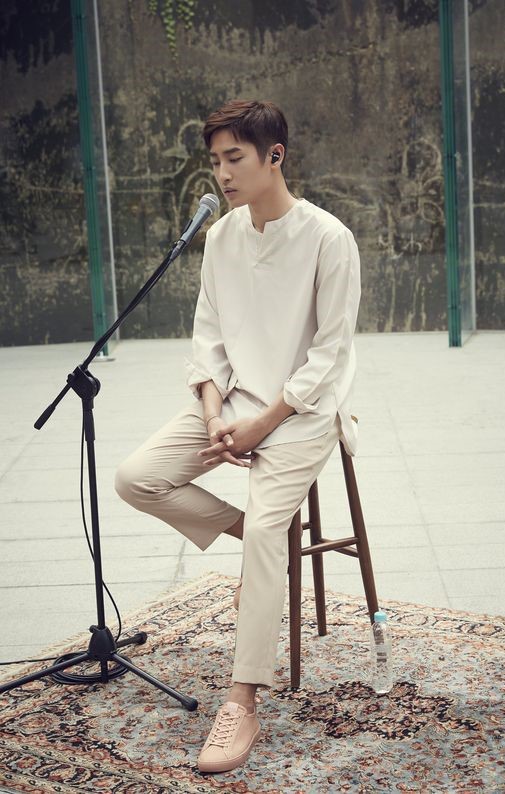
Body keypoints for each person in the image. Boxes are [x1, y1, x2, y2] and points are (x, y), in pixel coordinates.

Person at [114, 98, 361, 774]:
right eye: (215, 161)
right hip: (231, 403)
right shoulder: (221, 236)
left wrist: (262, 422)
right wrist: (215, 413)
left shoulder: (329, 238)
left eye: (234, 158)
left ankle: (242, 699)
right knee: (137, 477)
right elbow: (209, 338)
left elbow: (331, 355)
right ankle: (259, 541)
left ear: (274, 156)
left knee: (266, 533)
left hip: (302, 411)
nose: (222, 174)